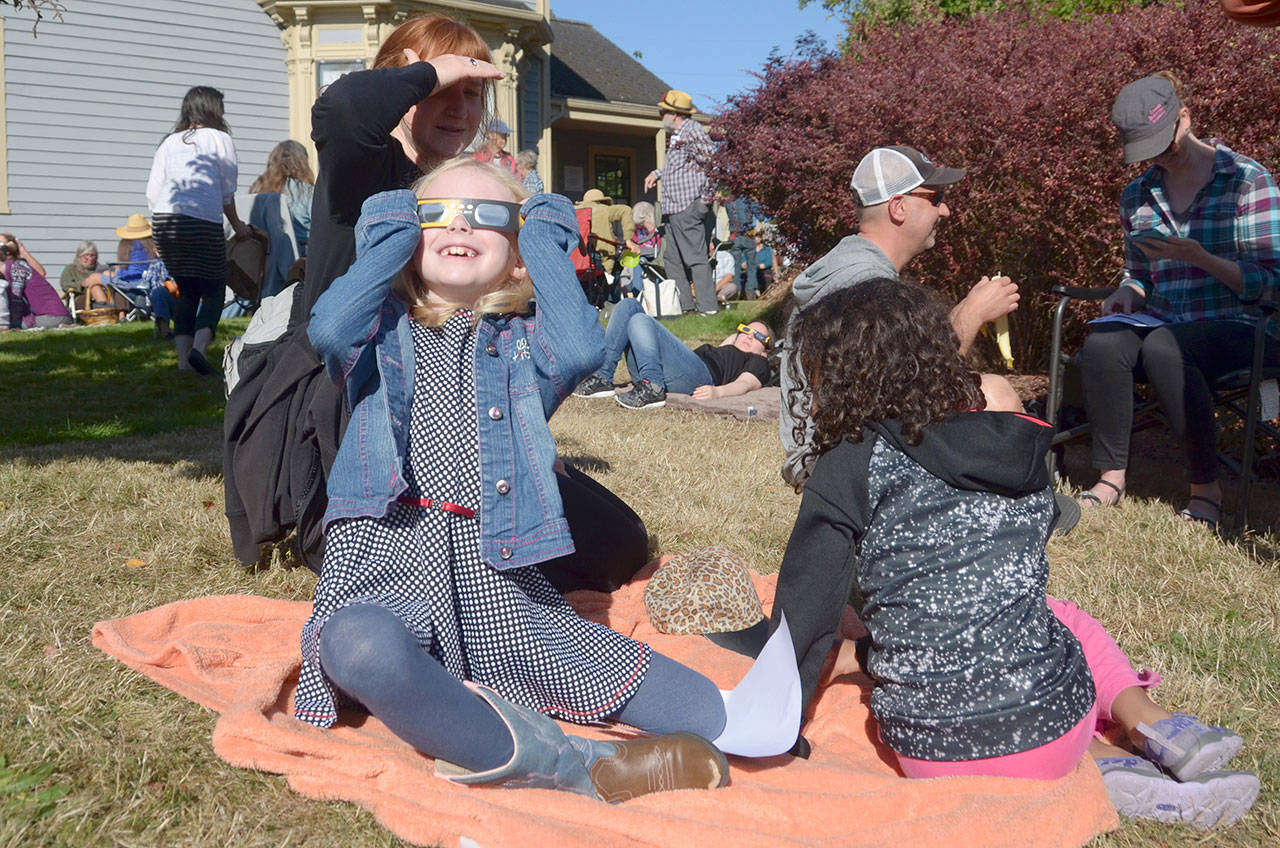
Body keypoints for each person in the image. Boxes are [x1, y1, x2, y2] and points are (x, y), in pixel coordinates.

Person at [727, 279, 1260, 829]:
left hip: (933, 753)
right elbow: (1043, 519)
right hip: (1054, 721)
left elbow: (805, 607)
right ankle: (1149, 732)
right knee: (1060, 618)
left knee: (971, 655)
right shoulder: (1013, 443)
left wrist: (776, 721)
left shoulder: (850, 463)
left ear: (842, 382)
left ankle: (1109, 769)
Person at [298, 157, 732, 801]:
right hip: (384, 560)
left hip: (496, 577)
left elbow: (585, 350)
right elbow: (326, 326)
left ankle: (724, 724)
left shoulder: (525, 345)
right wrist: (386, 237)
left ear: (518, 251)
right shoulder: (378, 334)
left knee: (706, 710)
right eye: (433, 213)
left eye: (489, 216)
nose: (459, 225)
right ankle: (563, 762)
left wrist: (549, 240)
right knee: (357, 645)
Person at [1075, 72, 1280, 527]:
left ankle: (1206, 490)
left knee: (1168, 345)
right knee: (1104, 343)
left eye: (1163, 145)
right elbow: (1139, 274)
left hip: (1246, 326)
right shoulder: (1138, 195)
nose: (1158, 159)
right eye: (1147, 151)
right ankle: (1111, 477)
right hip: (1164, 324)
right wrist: (1127, 292)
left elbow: (1273, 284)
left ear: (1184, 118)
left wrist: (1203, 259)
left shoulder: (1246, 181)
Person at [779, 145, 1020, 489]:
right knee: (994, 394)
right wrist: (970, 315)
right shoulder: (862, 284)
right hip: (834, 467)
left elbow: (887, 374)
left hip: (839, 450)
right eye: (935, 198)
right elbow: (903, 397)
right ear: (898, 207)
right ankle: (1018, 508)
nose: (946, 210)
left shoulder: (851, 268)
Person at [147, 85, 250, 374]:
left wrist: (158, 229)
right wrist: (238, 225)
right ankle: (199, 349)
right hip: (202, 221)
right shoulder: (221, 139)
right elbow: (226, 191)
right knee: (215, 288)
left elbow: (154, 191)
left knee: (187, 289)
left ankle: (182, 363)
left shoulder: (169, 142)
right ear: (214, 109)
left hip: (166, 221)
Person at [573, 305, 772, 409]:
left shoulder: (758, 361)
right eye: (746, 329)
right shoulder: (727, 348)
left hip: (700, 378)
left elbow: (745, 384)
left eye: (758, 336)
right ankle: (602, 376)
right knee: (629, 306)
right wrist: (740, 337)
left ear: (765, 348)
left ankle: (652, 387)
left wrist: (718, 393)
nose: (749, 336)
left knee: (641, 320)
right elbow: (732, 341)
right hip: (676, 371)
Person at [644, 90, 717, 315]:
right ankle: (687, 309)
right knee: (672, 260)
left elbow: (712, 166)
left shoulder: (693, 131)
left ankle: (708, 309)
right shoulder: (678, 135)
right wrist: (658, 173)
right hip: (673, 210)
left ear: (674, 114)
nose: (660, 115)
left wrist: (703, 204)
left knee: (695, 259)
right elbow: (680, 169)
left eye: (662, 111)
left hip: (688, 208)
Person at [249, 140, 316, 299]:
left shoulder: (257, 190)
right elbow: (319, 229)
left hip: (256, 262)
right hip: (294, 263)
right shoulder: (306, 192)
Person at [2, 233, 73, 329]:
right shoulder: (13, 267)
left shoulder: (17, 267)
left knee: (8, 325)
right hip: (46, 315)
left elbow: (16, 302)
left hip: (53, 316)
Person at [576, 188, 634, 279]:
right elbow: (626, 210)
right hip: (601, 258)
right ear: (601, 201)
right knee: (617, 270)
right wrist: (628, 239)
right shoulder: (604, 209)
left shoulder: (574, 211)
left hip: (578, 260)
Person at [622, 201, 661, 296]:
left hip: (650, 260)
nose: (639, 226)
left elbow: (657, 251)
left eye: (641, 223)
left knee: (640, 261)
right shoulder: (637, 229)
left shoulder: (657, 230)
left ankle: (637, 293)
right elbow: (631, 243)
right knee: (625, 265)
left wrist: (641, 251)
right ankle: (630, 294)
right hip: (634, 258)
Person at [754, 227, 778, 293]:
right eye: (756, 236)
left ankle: (766, 293)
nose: (757, 238)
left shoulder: (767, 249)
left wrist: (776, 274)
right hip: (753, 271)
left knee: (766, 276)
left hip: (765, 271)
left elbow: (771, 261)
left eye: (759, 236)